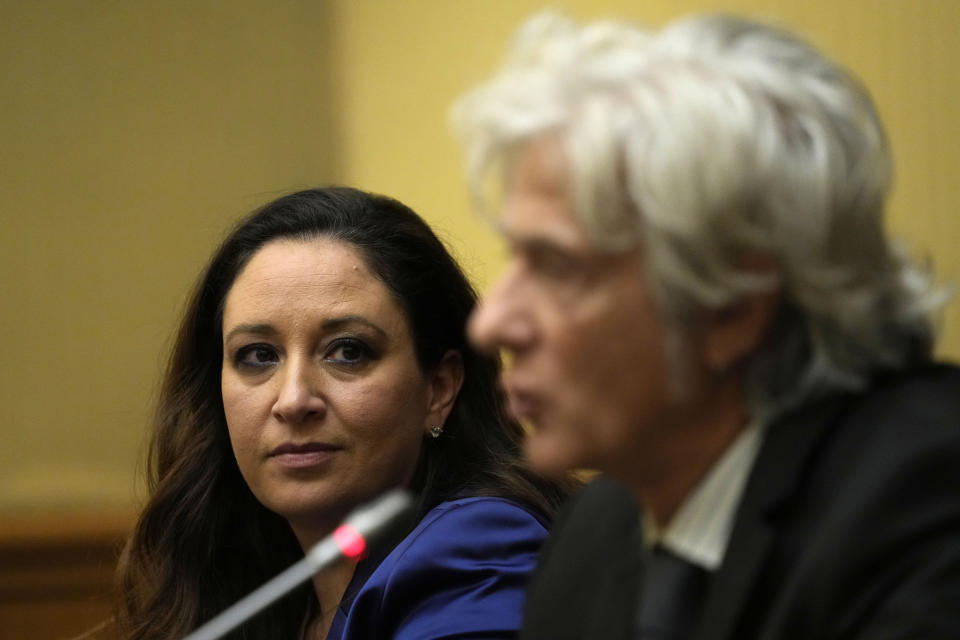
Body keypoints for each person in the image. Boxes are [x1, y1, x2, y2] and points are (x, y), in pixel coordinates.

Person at [453, 11, 960, 640]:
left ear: (732, 308)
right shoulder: (595, 532)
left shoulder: (924, 502)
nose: (492, 324)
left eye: (555, 267)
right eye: (514, 259)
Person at [115, 187, 569, 640]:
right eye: (257, 356)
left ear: (438, 388)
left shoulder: (474, 546)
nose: (293, 400)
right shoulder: (254, 592)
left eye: (348, 352)